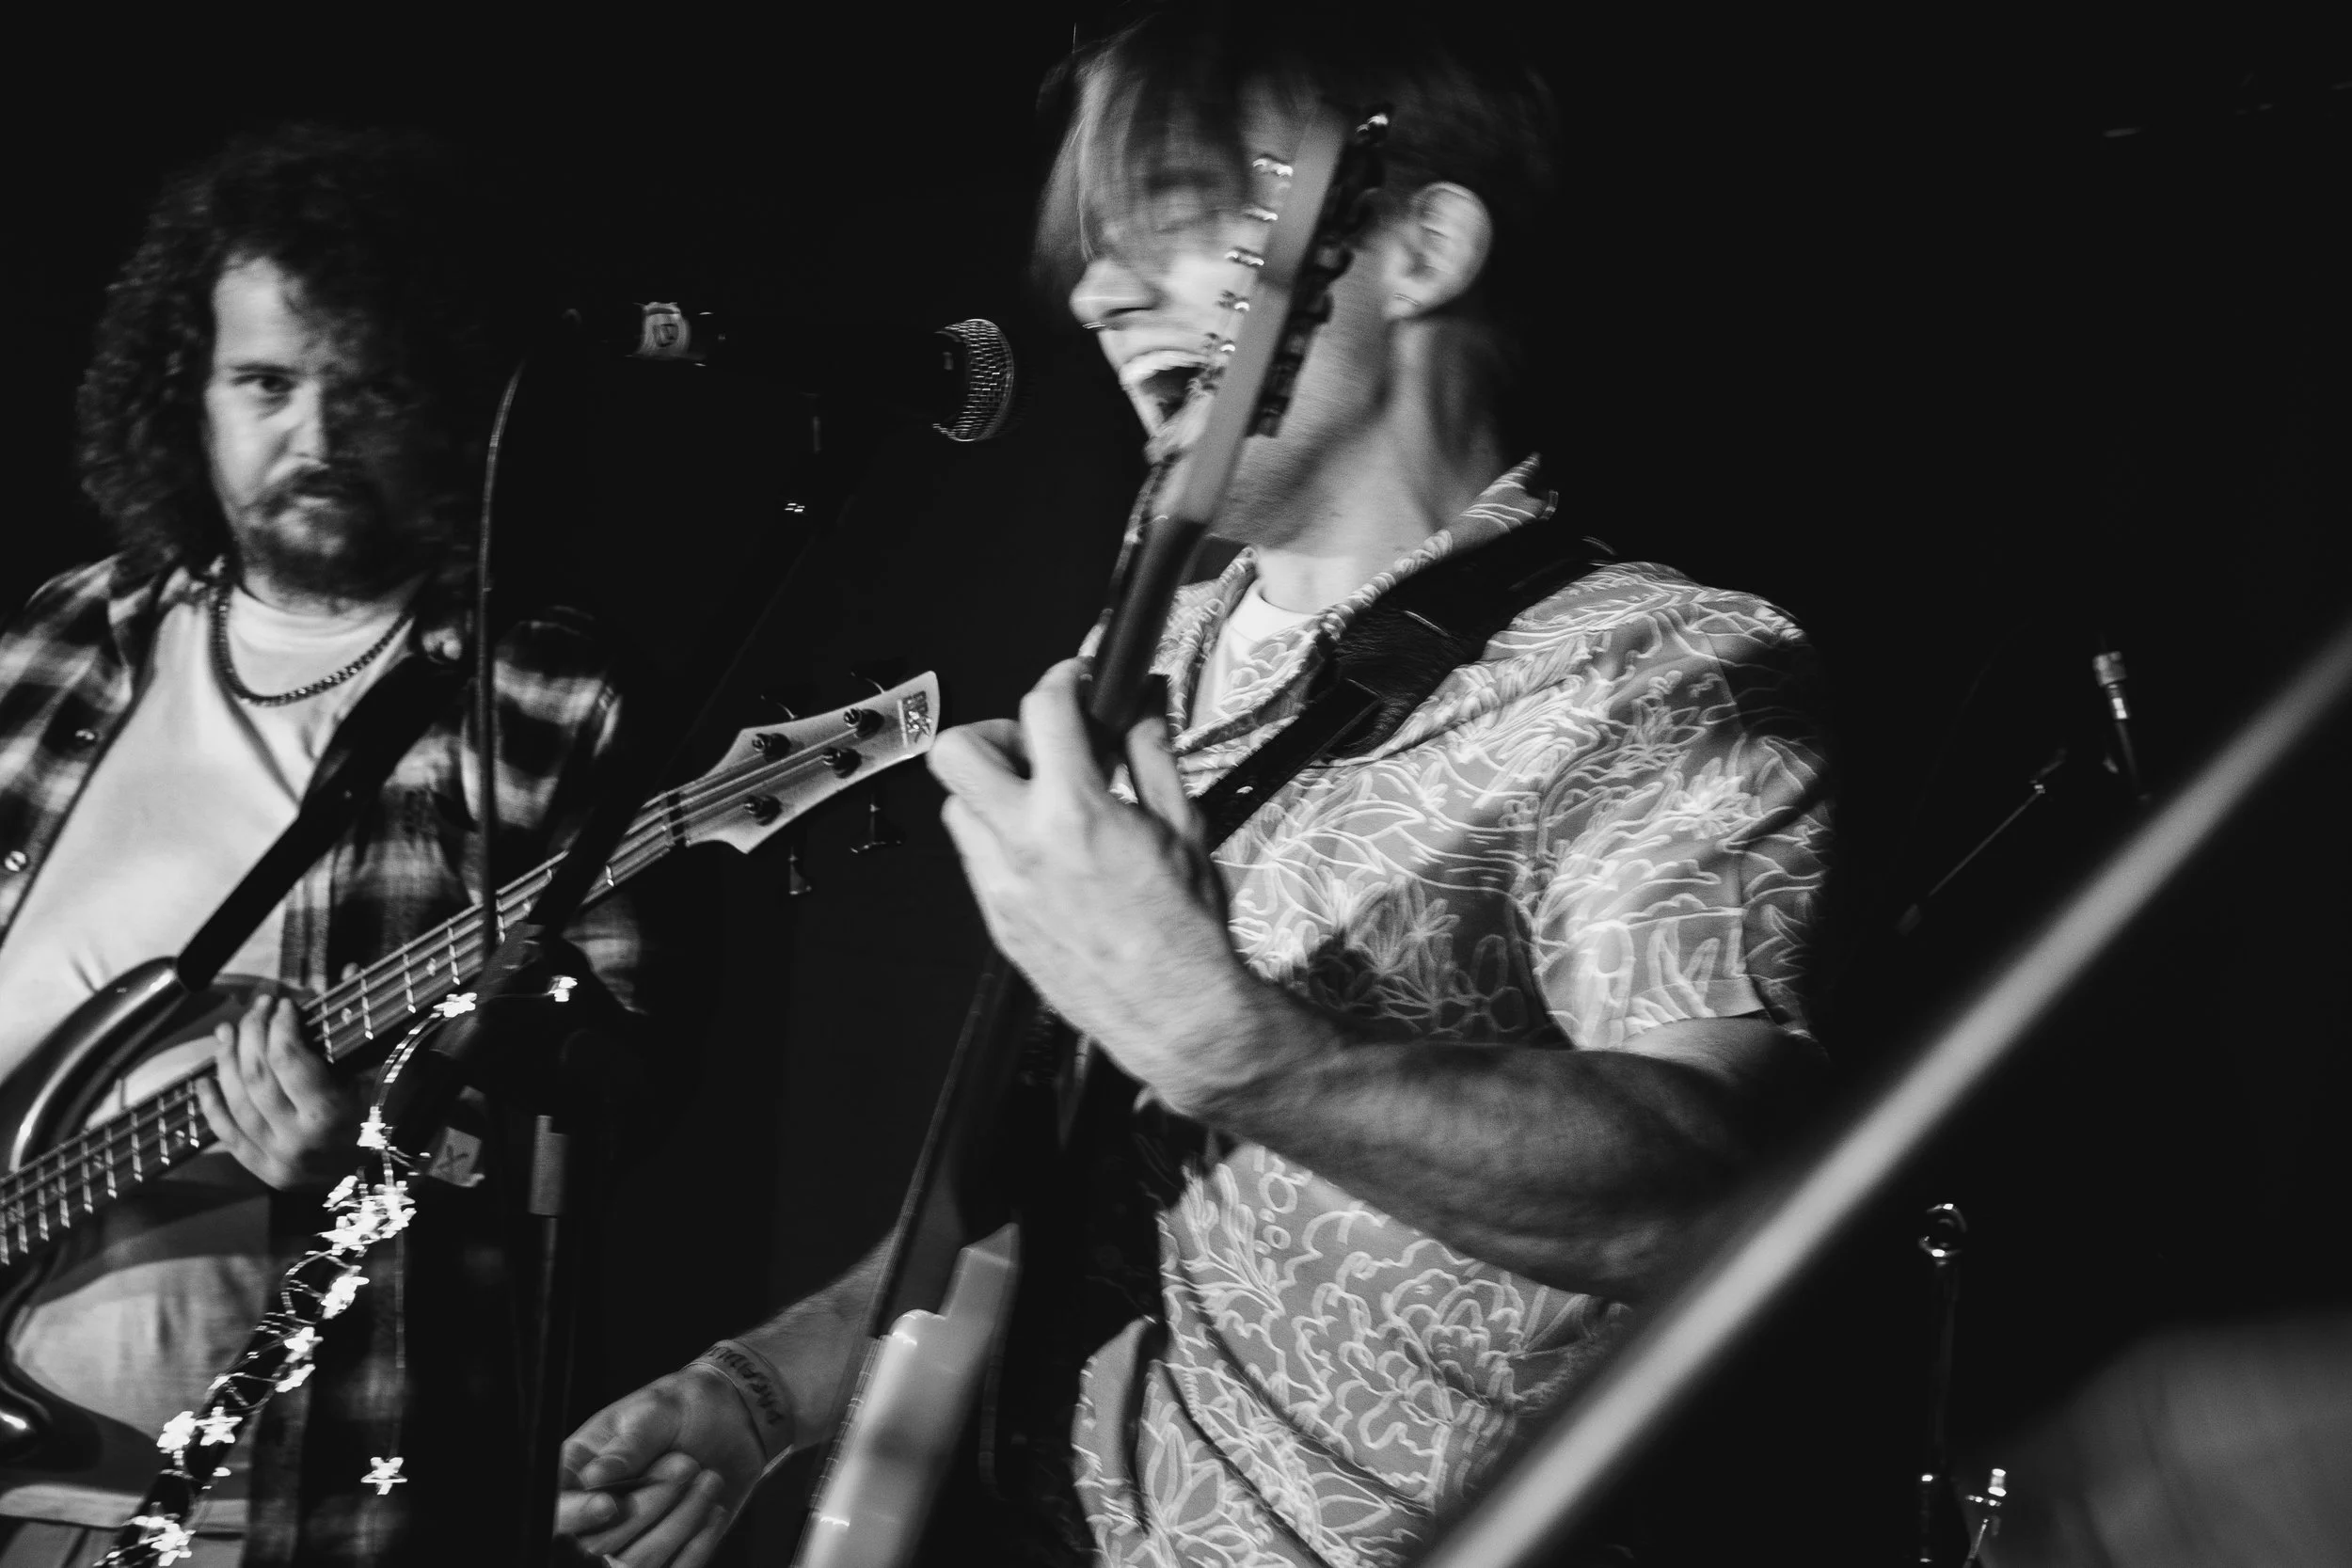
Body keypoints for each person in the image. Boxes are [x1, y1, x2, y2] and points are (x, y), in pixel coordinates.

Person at [558, 8, 1833, 1565]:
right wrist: (758, 1393)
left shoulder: (1658, 666)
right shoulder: (1154, 645)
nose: (1096, 293)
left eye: (1174, 221)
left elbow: (1708, 1192)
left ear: (1419, 249)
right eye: (1099, 246)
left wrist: (1238, 1050)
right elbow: (1050, 1177)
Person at [0, 126, 656, 1566]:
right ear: (190, 394)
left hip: (278, 1499)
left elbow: (601, 1105)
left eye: (365, 387)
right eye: (266, 383)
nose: (315, 435)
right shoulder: (62, 641)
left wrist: (377, 1154)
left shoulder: (541, 700)